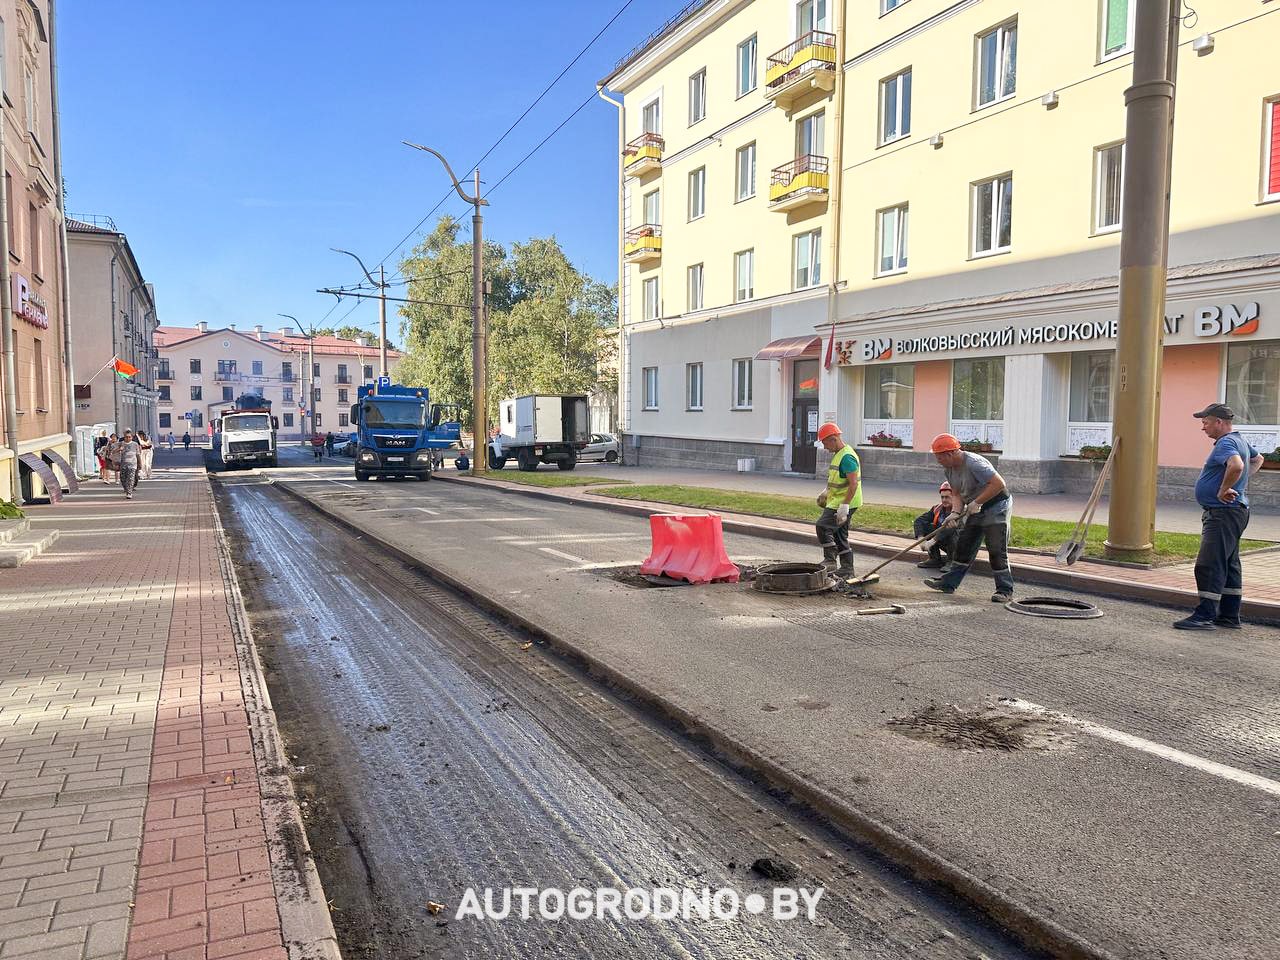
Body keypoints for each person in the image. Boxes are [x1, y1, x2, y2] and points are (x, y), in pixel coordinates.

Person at [1174, 403, 1264, 630]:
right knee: (1229, 564)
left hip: (1223, 513)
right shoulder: (1239, 439)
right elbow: (1258, 459)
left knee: (1209, 564)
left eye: (1205, 423)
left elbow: (1236, 465)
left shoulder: (1226, 442)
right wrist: (1238, 483)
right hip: (1235, 512)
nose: (1203, 428)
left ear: (1219, 423)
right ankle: (1229, 616)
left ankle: (1204, 616)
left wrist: (1225, 488)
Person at [922, 434, 1015, 603]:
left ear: (949, 454)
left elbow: (999, 484)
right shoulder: (949, 468)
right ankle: (948, 583)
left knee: (996, 548)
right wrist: (956, 512)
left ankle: (1004, 590)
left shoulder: (974, 463)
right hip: (975, 506)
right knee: (965, 544)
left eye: (939, 457)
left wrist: (977, 502)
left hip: (996, 504)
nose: (938, 461)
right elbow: (956, 492)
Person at [814, 422, 861, 575]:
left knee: (822, 526)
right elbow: (837, 480)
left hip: (845, 502)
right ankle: (847, 569)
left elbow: (853, 484)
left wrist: (844, 507)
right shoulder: (839, 454)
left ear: (833, 439)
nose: (825, 447)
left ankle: (830, 559)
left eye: (825, 443)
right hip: (837, 500)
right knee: (840, 534)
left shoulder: (847, 457)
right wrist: (825, 493)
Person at [914, 481, 959, 570]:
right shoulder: (937, 508)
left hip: (961, 546)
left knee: (951, 529)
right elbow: (919, 521)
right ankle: (934, 559)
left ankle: (952, 562)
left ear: (954, 497)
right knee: (927, 526)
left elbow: (948, 529)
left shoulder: (960, 510)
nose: (944, 500)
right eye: (942, 497)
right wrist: (921, 539)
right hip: (944, 541)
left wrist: (932, 541)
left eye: (947, 497)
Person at [109, 430, 142, 500]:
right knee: (123, 479)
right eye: (126, 437)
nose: (128, 438)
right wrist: (119, 449)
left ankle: (129, 492)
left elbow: (138, 454)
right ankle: (126, 488)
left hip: (133, 464)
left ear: (132, 437)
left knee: (131, 478)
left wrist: (140, 463)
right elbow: (112, 451)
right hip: (123, 464)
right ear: (124, 437)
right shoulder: (120, 443)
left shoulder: (135, 444)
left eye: (129, 437)